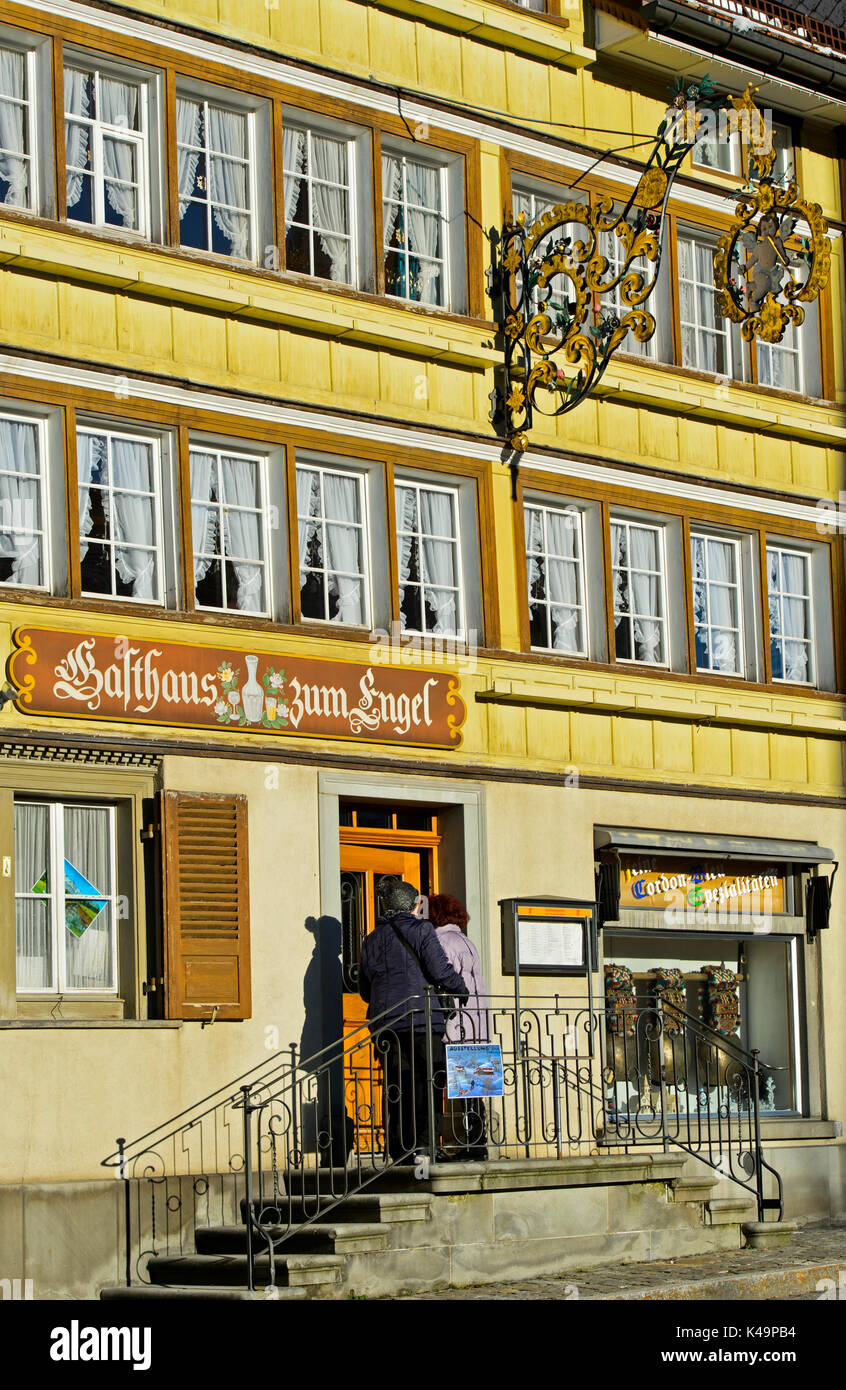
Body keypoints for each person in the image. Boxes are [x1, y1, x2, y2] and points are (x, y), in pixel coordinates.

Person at [358, 877, 468, 1163]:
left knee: (397, 1085)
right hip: (420, 1018)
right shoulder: (421, 930)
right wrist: (459, 987)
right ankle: (426, 1146)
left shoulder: (371, 939)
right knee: (429, 1082)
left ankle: (399, 1148)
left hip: (386, 1024)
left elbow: (365, 989)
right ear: (411, 905)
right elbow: (439, 969)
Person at [428, 892, 490, 1161]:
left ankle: (437, 1142)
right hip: (476, 1022)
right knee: (473, 1089)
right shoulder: (468, 942)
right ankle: (477, 1143)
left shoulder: (440, 942)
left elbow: (442, 981)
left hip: (454, 1022)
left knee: (438, 1080)